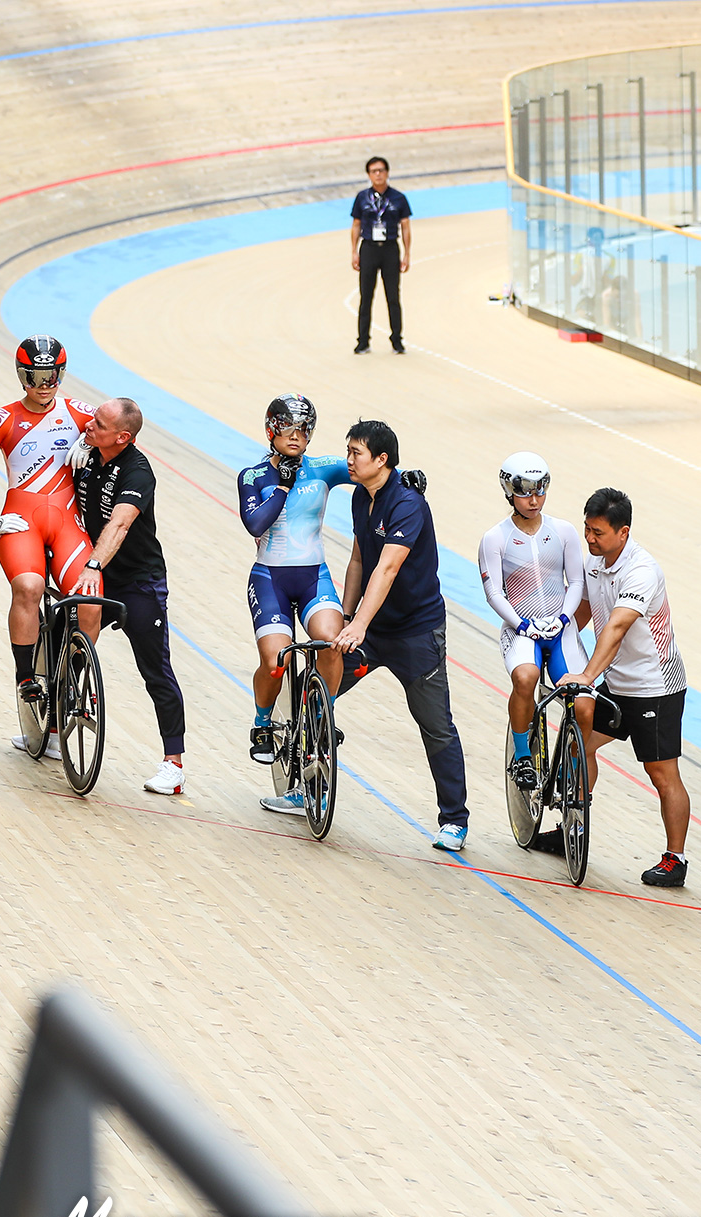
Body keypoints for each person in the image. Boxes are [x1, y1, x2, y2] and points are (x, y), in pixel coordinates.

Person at [305, 421, 467, 849]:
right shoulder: (362, 496)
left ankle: (454, 820)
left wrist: (358, 626)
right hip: (371, 630)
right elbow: (360, 558)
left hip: (416, 634)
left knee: (436, 727)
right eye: (348, 450)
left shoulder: (408, 504)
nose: (348, 460)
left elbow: (388, 567)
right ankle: (303, 783)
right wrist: (347, 614)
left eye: (356, 452)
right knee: (319, 694)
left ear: (382, 460)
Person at [0, 335, 100, 756]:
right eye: (37, 376)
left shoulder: (80, 414)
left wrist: (90, 442)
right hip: (21, 520)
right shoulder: (2, 418)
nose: (46, 384)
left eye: (53, 375)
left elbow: (121, 434)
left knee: (90, 601)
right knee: (28, 588)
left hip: (66, 521)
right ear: (23, 376)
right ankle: (26, 678)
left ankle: (71, 684)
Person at [557, 487, 691, 886]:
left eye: (598, 532)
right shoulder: (595, 561)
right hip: (617, 682)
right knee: (582, 743)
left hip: (655, 686)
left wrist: (586, 675)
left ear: (623, 532)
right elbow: (585, 611)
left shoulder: (642, 571)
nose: (590, 538)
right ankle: (575, 822)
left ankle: (676, 859)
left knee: (661, 773)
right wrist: (554, 641)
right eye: (587, 529)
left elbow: (615, 627)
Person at [68, 398, 186, 794]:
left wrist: (93, 565)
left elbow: (119, 525)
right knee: (62, 633)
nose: (88, 426)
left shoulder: (138, 471)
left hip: (137, 581)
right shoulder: (87, 452)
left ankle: (173, 764)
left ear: (122, 436)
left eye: (98, 425)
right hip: (94, 573)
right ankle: (53, 721)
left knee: (156, 670)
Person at [238, 394, 349, 766]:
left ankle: (322, 716)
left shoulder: (323, 468)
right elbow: (255, 524)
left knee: (332, 644)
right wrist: (283, 487)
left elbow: (368, 469)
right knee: (275, 662)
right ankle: (262, 723)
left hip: (313, 576)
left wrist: (402, 477)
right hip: (270, 579)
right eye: (288, 428)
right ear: (271, 430)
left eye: (303, 429)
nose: (296, 435)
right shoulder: (253, 476)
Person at [477, 453, 585, 801]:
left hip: (560, 627)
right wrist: (522, 623)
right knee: (525, 678)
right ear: (509, 492)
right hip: (522, 630)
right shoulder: (495, 538)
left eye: (540, 491)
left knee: (582, 704)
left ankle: (571, 765)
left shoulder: (564, 531)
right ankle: (523, 755)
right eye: (525, 493)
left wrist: (564, 619)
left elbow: (577, 583)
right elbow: (494, 591)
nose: (534, 500)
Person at [350, 158, 412, 354]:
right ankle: (363, 341)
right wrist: (354, 250)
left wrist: (407, 253)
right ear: (368, 175)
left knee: (393, 296)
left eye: (381, 170)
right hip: (369, 248)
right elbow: (356, 225)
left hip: (390, 249)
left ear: (387, 172)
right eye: (374, 171)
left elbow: (406, 226)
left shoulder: (398, 198)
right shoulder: (362, 198)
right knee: (366, 296)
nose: (378, 174)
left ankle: (396, 339)